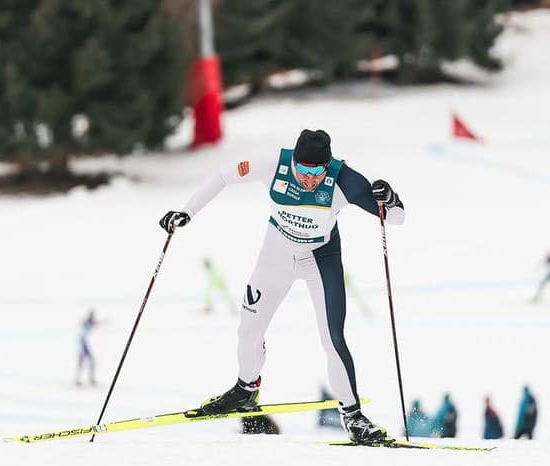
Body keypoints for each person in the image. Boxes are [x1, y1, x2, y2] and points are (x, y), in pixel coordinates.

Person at [159, 128, 405, 443]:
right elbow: (222, 176)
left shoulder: (344, 180)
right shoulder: (274, 164)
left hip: (320, 258)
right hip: (276, 253)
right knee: (248, 329)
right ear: (294, 163)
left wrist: (390, 198)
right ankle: (245, 391)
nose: (310, 178)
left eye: (318, 171)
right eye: (303, 170)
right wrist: (187, 212)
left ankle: (353, 416)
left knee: (332, 338)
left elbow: (396, 218)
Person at [76, 309, 100, 386]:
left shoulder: (89, 323)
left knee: (90, 363)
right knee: (82, 363)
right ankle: (78, 379)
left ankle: (90, 379)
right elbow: (83, 332)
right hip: (83, 346)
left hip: (86, 345)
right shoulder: (86, 323)